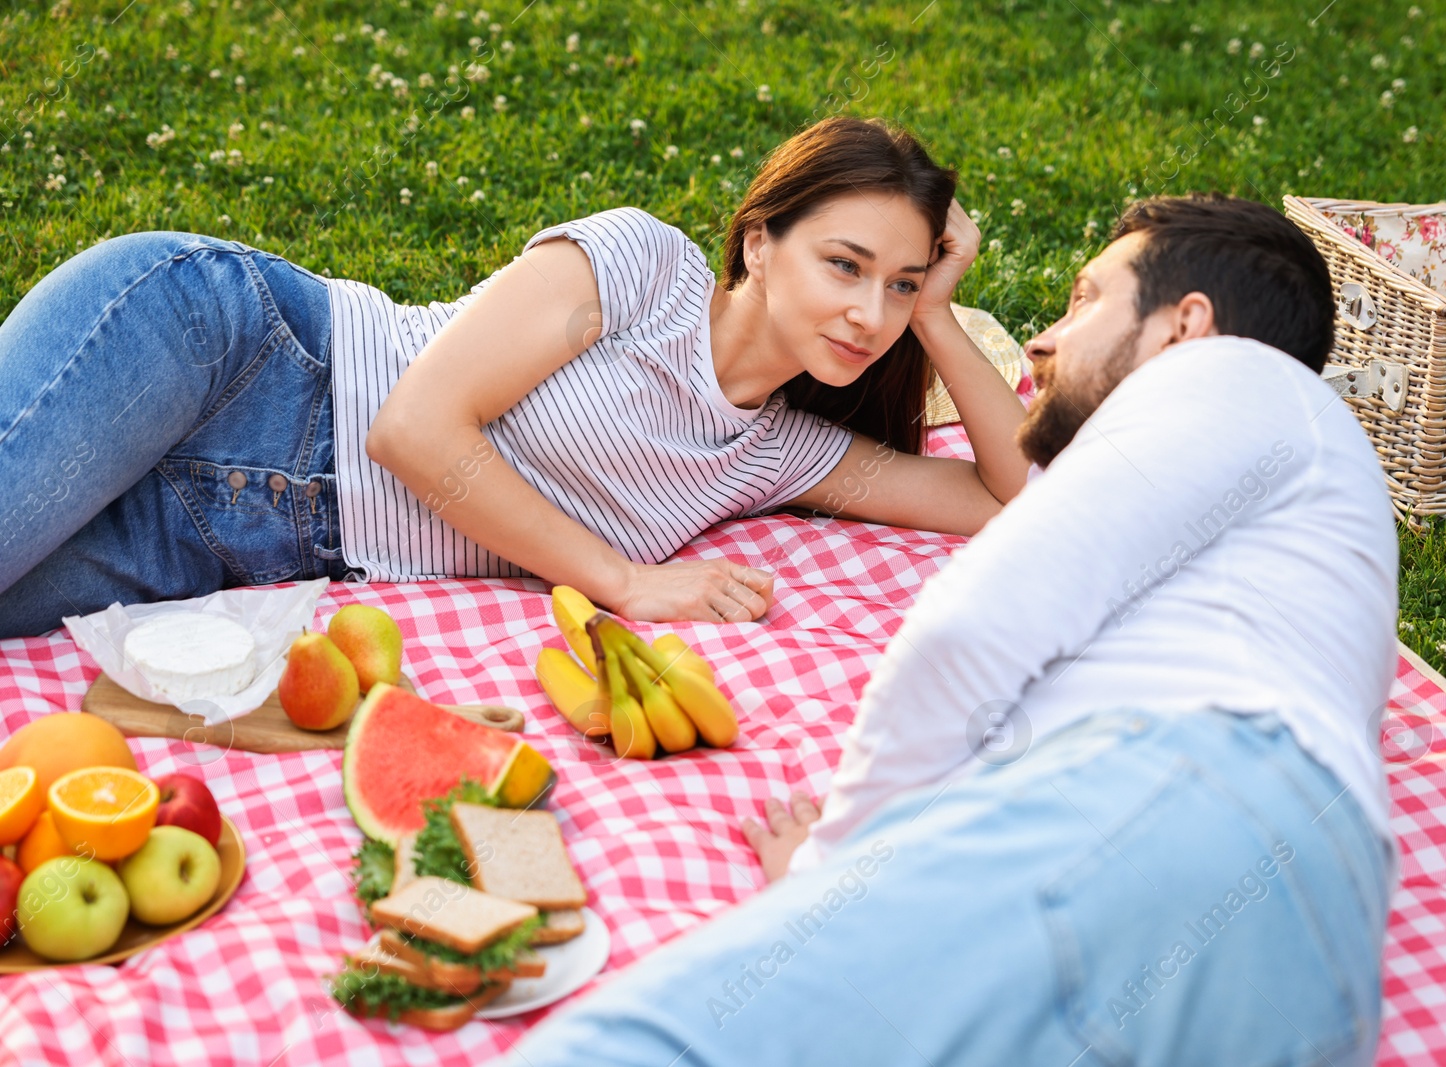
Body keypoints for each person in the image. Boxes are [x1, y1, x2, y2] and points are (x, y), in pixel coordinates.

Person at [504, 193, 1401, 1067]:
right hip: (1324, 933)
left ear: (1184, 324)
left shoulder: (1228, 378)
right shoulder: (1287, 485)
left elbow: (969, 632)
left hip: (1163, 805)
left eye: (1086, 298)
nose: (1045, 338)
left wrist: (835, 872)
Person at [0, 117, 1030, 638]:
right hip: (231, 357)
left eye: (896, 285)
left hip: (225, 534)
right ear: (758, 243)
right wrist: (622, 579)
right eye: (843, 264)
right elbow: (414, 426)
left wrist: (936, 315)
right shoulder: (643, 269)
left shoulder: (777, 452)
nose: (868, 312)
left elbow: (1003, 498)